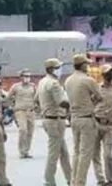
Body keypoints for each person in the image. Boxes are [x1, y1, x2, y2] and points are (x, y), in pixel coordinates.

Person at [65, 53, 103, 186]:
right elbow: (99, 97)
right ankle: (80, 182)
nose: (88, 66)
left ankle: (74, 180)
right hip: (87, 118)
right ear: (82, 65)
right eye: (86, 64)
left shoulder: (68, 80)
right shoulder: (88, 80)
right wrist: (91, 102)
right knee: (86, 153)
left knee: (76, 151)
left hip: (74, 118)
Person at [38, 58, 72, 186]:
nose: (60, 70)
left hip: (49, 118)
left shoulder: (42, 82)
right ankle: (49, 180)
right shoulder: (54, 83)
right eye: (58, 68)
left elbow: (36, 100)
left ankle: (71, 178)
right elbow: (62, 102)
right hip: (55, 120)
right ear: (51, 69)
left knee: (63, 151)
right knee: (54, 152)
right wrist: (74, 105)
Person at [93, 64, 112, 186]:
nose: (110, 75)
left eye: (111, 73)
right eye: (107, 73)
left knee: (108, 155)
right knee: (95, 154)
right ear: (103, 75)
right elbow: (91, 104)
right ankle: (100, 180)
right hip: (96, 123)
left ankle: (110, 180)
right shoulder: (96, 88)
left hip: (110, 126)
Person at [9, 68, 37, 159]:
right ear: (21, 77)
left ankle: (26, 151)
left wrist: (38, 107)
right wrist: (11, 107)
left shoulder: (33, 86)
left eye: (29, 76)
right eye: (25, 76)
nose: (27, 78)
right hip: (20, 111)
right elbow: (8, 97)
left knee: (30, 132)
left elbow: (37, 98)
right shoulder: (16, 87)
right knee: (23, 129)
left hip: (31, 111)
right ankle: (21, 151)